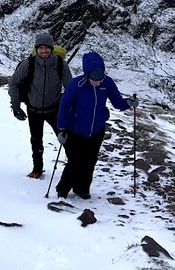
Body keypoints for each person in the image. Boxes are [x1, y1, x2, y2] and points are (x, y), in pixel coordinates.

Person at [55, 51, 137, 200]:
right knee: (75, 162)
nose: (98, 82)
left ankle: (82, 189)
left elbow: (117, 102)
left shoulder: (107, 83)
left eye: (100, 79)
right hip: (75, 131)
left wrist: (129, 103)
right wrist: (62, 129)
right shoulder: (76, 85)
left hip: (97, 131)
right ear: (87, 74)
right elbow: (64, 107)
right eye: (95, 79)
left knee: (90, 162)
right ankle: (63, 189)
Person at [8, 31, 73, 178]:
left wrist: (71, 107)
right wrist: (16, 107)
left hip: (54, 109)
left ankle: (73, 168)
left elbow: (70, 88)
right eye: (41, 47)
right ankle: (37, 169)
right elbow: (13, 83)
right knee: (36, 141)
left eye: (47, 47)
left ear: (51, 48)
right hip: (33, 109)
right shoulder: (28, 64)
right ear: (36, 48)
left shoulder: (60, 64)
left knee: (66, 139)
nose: (44, 51)